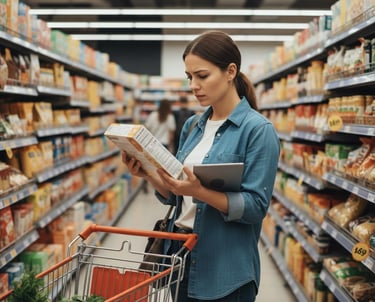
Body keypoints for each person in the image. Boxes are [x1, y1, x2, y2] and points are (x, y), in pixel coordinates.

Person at [122, 30, 280, 301]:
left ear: (230, 71)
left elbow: (255, 207)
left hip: (225, 270)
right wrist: (147, 173)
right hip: (180, 258)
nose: (194, 85)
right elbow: (177, 193)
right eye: (189, 77)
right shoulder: (193, 126)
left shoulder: (258, 130)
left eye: (202, 76)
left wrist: (200, 192)